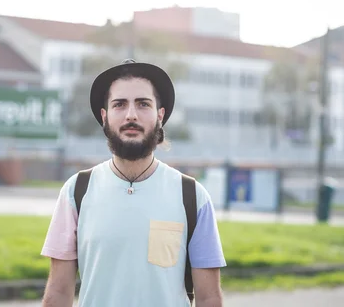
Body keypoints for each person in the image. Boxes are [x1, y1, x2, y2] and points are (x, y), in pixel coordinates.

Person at [40, 59, 226, 307]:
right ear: (104, 116)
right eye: (119, 104)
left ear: (160, 115)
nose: (131, 115)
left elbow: (209, 298)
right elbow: (58, 294)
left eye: (143, 104)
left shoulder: (191, 195)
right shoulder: (77, 191)